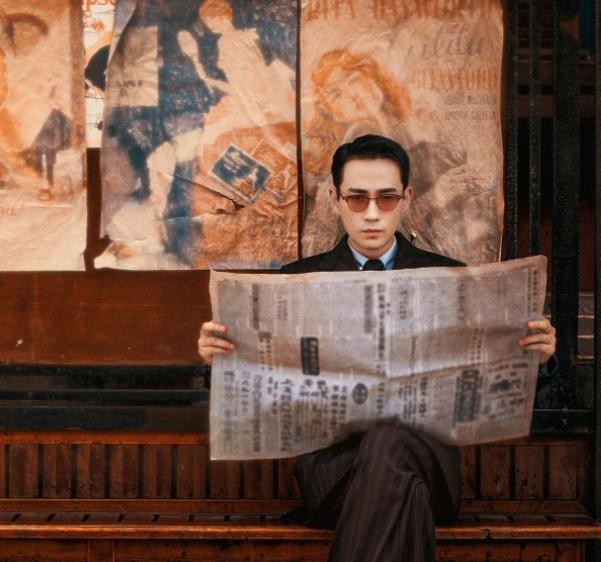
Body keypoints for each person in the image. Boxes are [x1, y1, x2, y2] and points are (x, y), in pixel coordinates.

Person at [198, 134, 557, 562]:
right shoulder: (298, 281)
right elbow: (261, 387)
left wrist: (538, 359)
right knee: (400, 488)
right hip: (336, 476)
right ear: (335, 200)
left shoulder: (451, 278)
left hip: (429, 465)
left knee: (392, 442)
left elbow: (492, 386)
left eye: (386, 198)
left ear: (406, 199)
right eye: (357, 198)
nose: (372, 213)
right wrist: (218, 360)